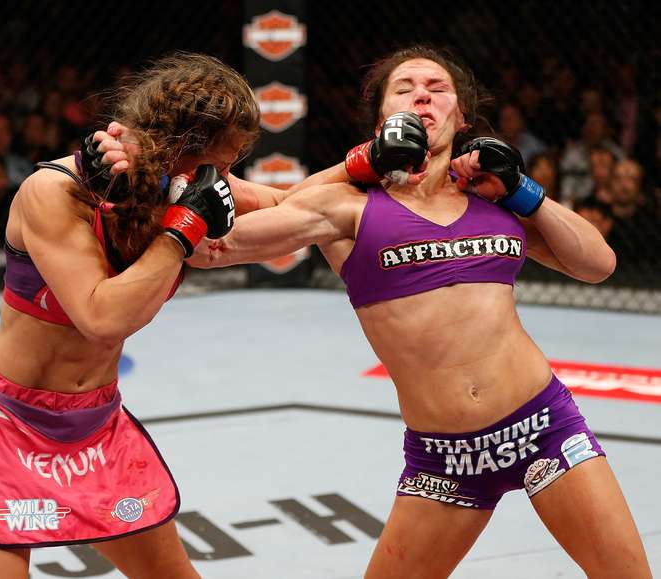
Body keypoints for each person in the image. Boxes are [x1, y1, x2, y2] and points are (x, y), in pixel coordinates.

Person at [187, 46, 651, 577]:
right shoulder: (347, 207)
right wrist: (358, 164)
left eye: (438, 88)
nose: (422, 95)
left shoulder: (495, 201)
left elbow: (598, 264)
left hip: (544, 426)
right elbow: (213, 248)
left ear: (462, 116)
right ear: (382, 119)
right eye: (404, 89)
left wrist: (525, 192)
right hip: (445, 459)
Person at [0, 52, 259, 579]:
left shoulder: (178, 188)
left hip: (96, 426)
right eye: (221, 162)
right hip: (6, 424)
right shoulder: (55, 190)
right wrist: (182, 230)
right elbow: (101, 316)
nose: (224, 179)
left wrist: (365, 167)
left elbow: (294, 204)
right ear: (182, 148)